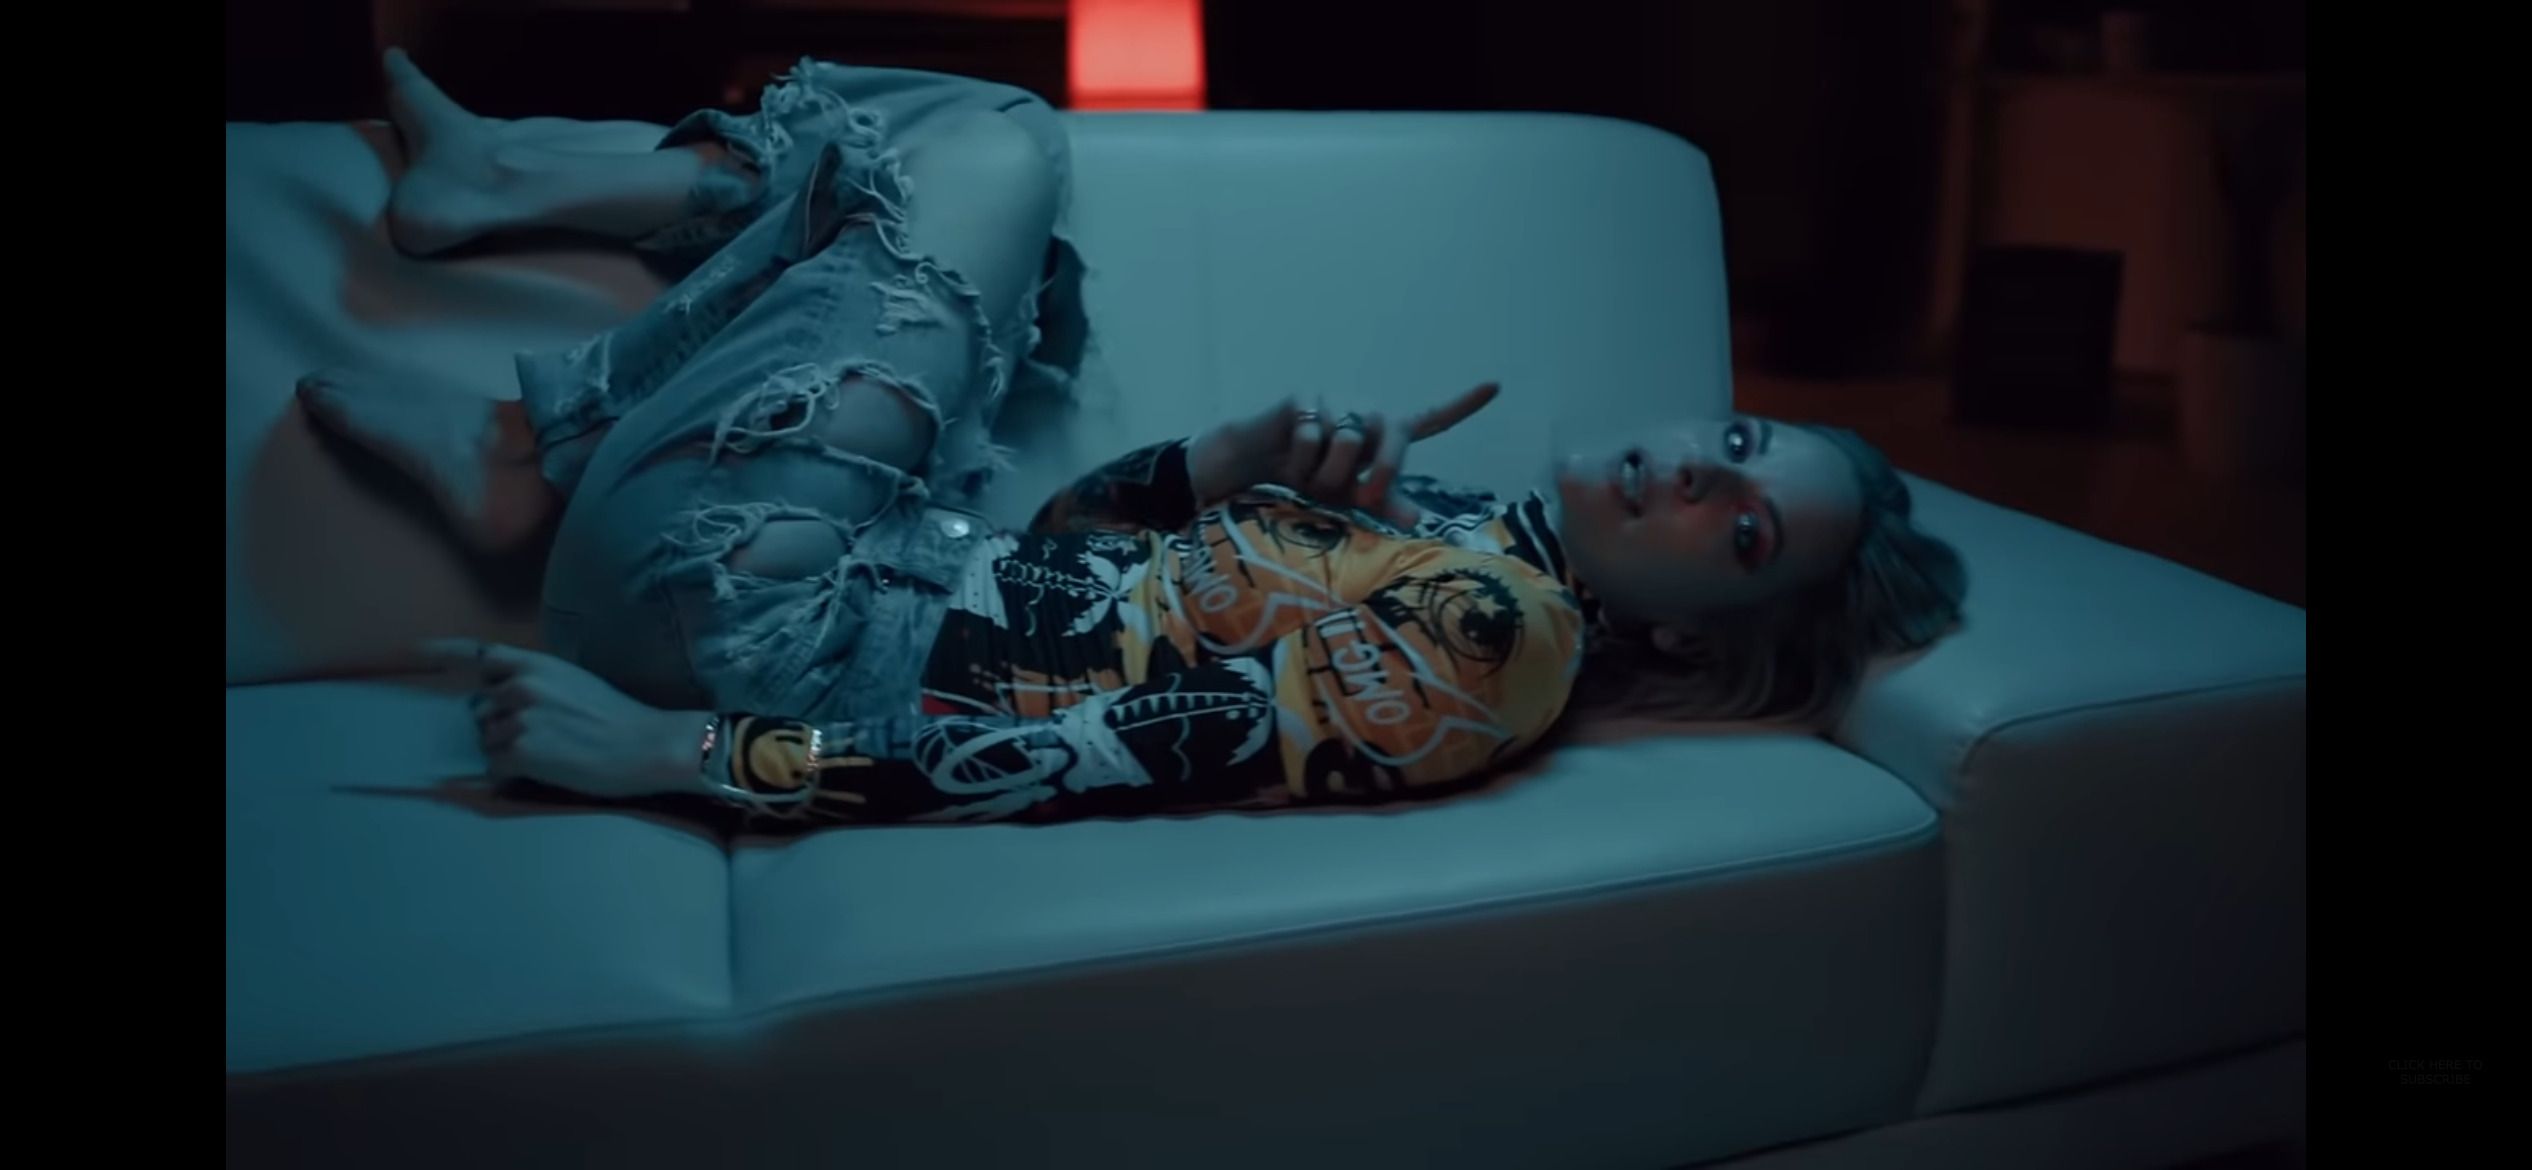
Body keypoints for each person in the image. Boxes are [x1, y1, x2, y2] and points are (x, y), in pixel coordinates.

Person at [304, 53, 1968, 827]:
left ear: (1687, 631)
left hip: (761, 627)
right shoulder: (1469, 527)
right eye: (1737, 436)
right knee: (1014, 209)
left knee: (996, 143)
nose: (1701, 471)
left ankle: (537, 397)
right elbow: (1064, 571)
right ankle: (538, 428)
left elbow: (1105, 751)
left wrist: (677, 758)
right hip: (830, 574)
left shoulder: (1500, 637)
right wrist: (1222, 460)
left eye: (1742, 527)